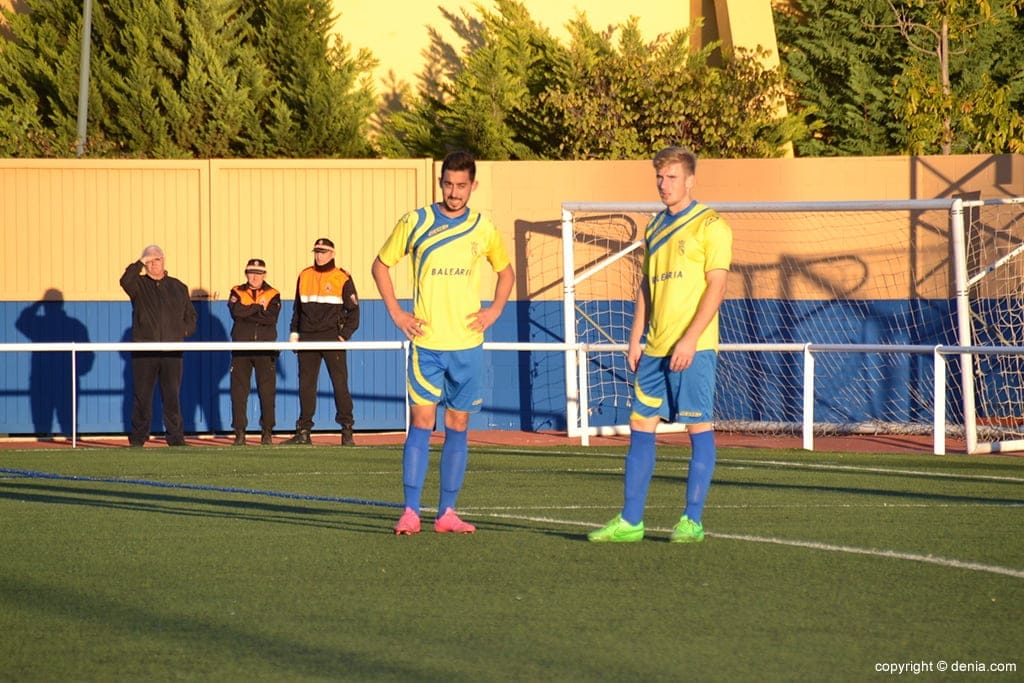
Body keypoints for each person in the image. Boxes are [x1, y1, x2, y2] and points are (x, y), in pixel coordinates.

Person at [588, 146, 733, 543]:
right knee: (640, 425)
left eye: (672, 177)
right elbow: (646, 286)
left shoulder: (711, 225)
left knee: (698, 425)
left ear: (690, 180)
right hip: (654, 348)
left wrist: (690, 338)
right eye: (660, 177)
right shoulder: (654, 227)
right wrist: (635, 337)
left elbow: (717, 286)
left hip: (693, 348)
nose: (664, 185)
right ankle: (630, 521)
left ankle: (692, 521)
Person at [372, 150, 515, 535]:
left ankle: (447, 513)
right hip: (427, 344)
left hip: (467, 346)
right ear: (440, 183)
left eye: (461, 185)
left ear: (473, 186)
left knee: (458, 423)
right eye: (448, 184)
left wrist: (494, 311)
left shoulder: (483, 227)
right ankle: (410, 511)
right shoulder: (416, 221)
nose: (454, 192)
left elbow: (506, 273)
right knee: (421, 422)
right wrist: (397, 314)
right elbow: (380, 266)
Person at [120, 245, 198, 447]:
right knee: (142, 396)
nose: (153, 264)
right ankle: (138, 438)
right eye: (149, 260)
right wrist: (140, 262)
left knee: (172, 395)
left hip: (172, 351)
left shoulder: (178, 287)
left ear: (164, 260)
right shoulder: (138, 285)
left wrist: (183, 331)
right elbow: (125, 280)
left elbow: (191, 316)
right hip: (144, 350)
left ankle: (175, 437)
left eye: (157, 259)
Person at [284, 238, 360, 446]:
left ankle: (346, 429)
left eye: (323, 252)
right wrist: (294, 333)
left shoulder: (342, 277)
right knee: (306, 386)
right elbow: (298, 308)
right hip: (307, 337)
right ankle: (304, 431)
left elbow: (354, 311)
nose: (319, 255)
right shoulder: (304, 275)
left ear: (332, 254)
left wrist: (343, 335)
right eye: (317, 251)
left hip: (331, 337)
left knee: (340, 384)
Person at [227, 258, 282, 446]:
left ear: (264, 275)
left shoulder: (273, 293)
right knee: (238, 393)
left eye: (258, 273)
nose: (255, 277)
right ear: (246, 274)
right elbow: (236, 312)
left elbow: (271, 319)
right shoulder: (236, 291)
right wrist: (258, 308)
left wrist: (247, 312)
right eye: (251, 272)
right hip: (241, 349)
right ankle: (239, 433)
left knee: (267, 393)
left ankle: (267, 432)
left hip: (265, 350)